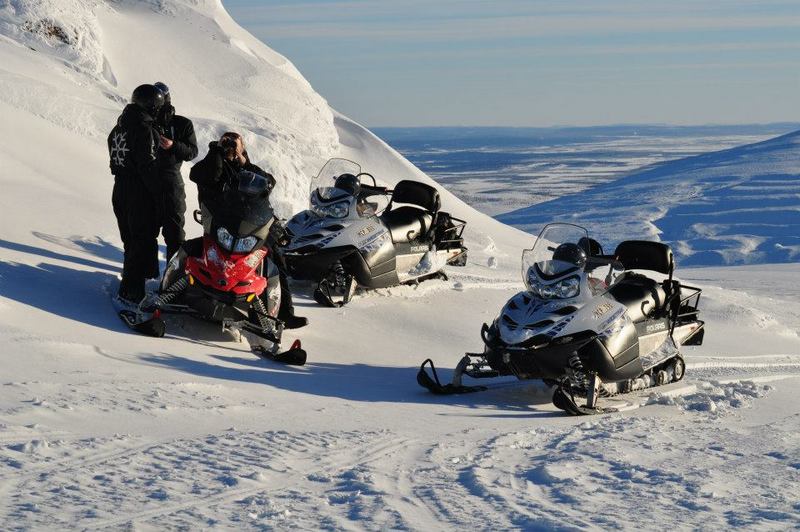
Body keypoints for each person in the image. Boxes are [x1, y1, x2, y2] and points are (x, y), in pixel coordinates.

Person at [189, 132, 307, 329]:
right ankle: (173, 289)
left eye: (235, 143)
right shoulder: (212, 163)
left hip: (249, 225)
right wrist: (217, 151)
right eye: (226, 141)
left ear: (242, 147)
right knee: (192, 251)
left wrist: (243, 160)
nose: (230, 146)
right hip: (219, 222)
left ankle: (285, 313)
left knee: (275, 260)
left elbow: (268, 183)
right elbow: (203, 175)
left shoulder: (249, 172)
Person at [108, 84, 165, 305]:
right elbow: (147, 166)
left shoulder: (119, 127)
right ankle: (132, 292)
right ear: (151, 106)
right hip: (138, 191)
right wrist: (158, 194)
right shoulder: (144, 129)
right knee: (141, 239)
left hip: (120, 187)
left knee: (129, 239)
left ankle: (130, 283)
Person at [153, 82, 198, 262]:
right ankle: (146, 275)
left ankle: (174, 280)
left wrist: (173, 145)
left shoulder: (182, 124)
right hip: (147, 181)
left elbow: (192, 152)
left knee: (175, 233)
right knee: (144, 231)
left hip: (172, 182)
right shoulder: (146, 122)